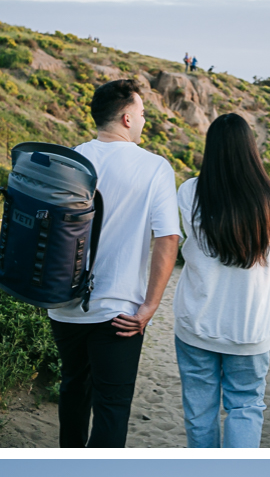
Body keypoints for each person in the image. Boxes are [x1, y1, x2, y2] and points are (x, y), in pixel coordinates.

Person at [48, 79, 180, 448]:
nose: (143, 121)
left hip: (64, 305)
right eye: (141, 114)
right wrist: (150, 307)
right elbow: (168, 238)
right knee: (113, 405)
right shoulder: (154, 167)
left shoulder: (71, 158)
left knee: (74, 390)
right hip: (119, 312)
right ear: (125, 117)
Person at [173, 113, 270, 448]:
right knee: (246, 406)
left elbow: (189, 245)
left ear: (210, 149)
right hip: (250, 327)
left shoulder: (190, 193)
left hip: (197, 322)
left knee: (199, 412)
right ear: (250, 151)